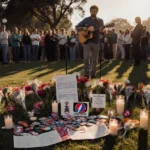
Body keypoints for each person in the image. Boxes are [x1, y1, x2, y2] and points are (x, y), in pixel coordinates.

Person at [76, 5, 104, 79]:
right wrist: (83, 28)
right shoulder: (86, 20)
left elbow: (101, 32)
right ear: (90, 11)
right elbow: (77, 26)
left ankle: (93, 74)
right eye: (92, 11)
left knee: (94, 59)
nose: (93, 12)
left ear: (97, 11)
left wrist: (101, 31)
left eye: (95, 11)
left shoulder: (100, 21)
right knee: (86, 58)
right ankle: (86, 74)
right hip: (86, 42)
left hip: (96, 41)